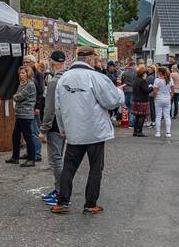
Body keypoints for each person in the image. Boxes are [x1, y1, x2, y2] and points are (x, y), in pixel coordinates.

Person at [52, 47, 125, 215]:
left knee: (69, 167)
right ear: (90, 59)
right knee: (95, 168)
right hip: (95, 130)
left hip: (74, 131)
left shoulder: (63, 79)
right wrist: (119, 93)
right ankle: (90, 204)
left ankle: (63, 201)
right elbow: (111, 101)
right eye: (96, 59)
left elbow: (58, 107)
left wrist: (63, 129)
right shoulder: (97, 77)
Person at [39, 51, 66, 206]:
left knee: (56, 160)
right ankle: (59, 189)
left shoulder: (55, 81)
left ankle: (61, 192)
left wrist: (43, 129)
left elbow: (50, 108)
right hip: (67, 123)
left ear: (52, 62)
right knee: (60, 158)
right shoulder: (69, 77)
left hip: (56, 124)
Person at [8, 65, 37, 167]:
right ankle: (15, 157)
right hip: (20, 114)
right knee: (15, 136)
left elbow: (19, 96)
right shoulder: (22, 84)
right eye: (20, 73)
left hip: (26, 114)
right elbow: (18, 95)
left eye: (23, 73)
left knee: (28, 137)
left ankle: (31, 159)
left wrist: (14, 97)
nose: (21, 75)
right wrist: (16, 96)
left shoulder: (30, 84)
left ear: (28, 73)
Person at [152, 64, 173, 138]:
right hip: (167, 99)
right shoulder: (169, 79)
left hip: (158, 98)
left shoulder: (157, 80)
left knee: (158, 116)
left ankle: (158, 132)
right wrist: (170, 97)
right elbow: (172, 90)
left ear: (159, 72)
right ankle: (168, 132)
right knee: (167, 116)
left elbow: (155, 91)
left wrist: (154, 98)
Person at [129, 64, 151, 137]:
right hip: (142, 101)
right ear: (143, 74)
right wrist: (152, 87)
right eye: (145, 73)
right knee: (142, 116)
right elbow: (146, 90)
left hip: (136, 100)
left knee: (137, 116)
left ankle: (135, 131)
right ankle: (139, 131)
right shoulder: (142, 81)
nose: (146, 75)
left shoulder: (136, 80)